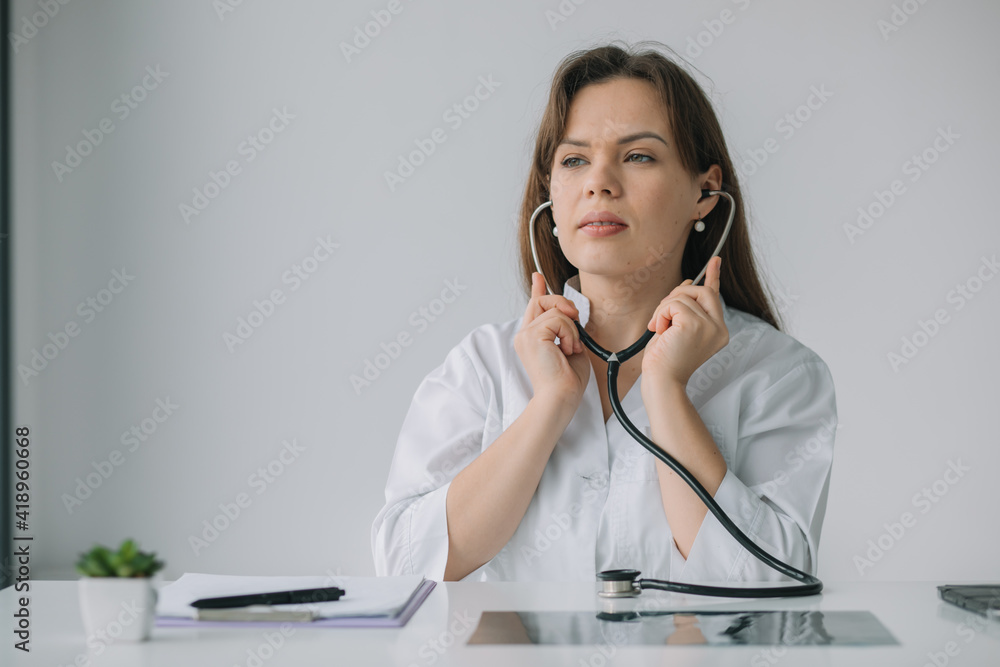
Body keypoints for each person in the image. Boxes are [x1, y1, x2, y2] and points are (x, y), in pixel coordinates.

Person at [372, 41, 837, 584]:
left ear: (705, 193)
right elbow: (405, 568)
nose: (599, 182)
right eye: (574, 160)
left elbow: (771, 582)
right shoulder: (482, 366)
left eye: (638, 156)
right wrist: (550, 405)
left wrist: (666, 391)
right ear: (551, 191)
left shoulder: (779, 373)